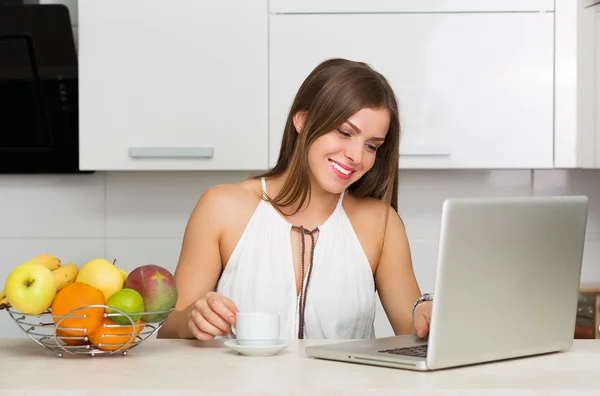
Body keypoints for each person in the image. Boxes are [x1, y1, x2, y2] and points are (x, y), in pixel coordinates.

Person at [157, 58, 433, 341]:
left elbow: (415, 335)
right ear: (302, 120)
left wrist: (430, 318)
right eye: (344, 132)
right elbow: (169, 333)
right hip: (240, 386)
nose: (357, 156)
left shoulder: (381, 223)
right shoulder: (221, 207)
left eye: (372, 146)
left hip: (346, 387)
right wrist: (194, 317)